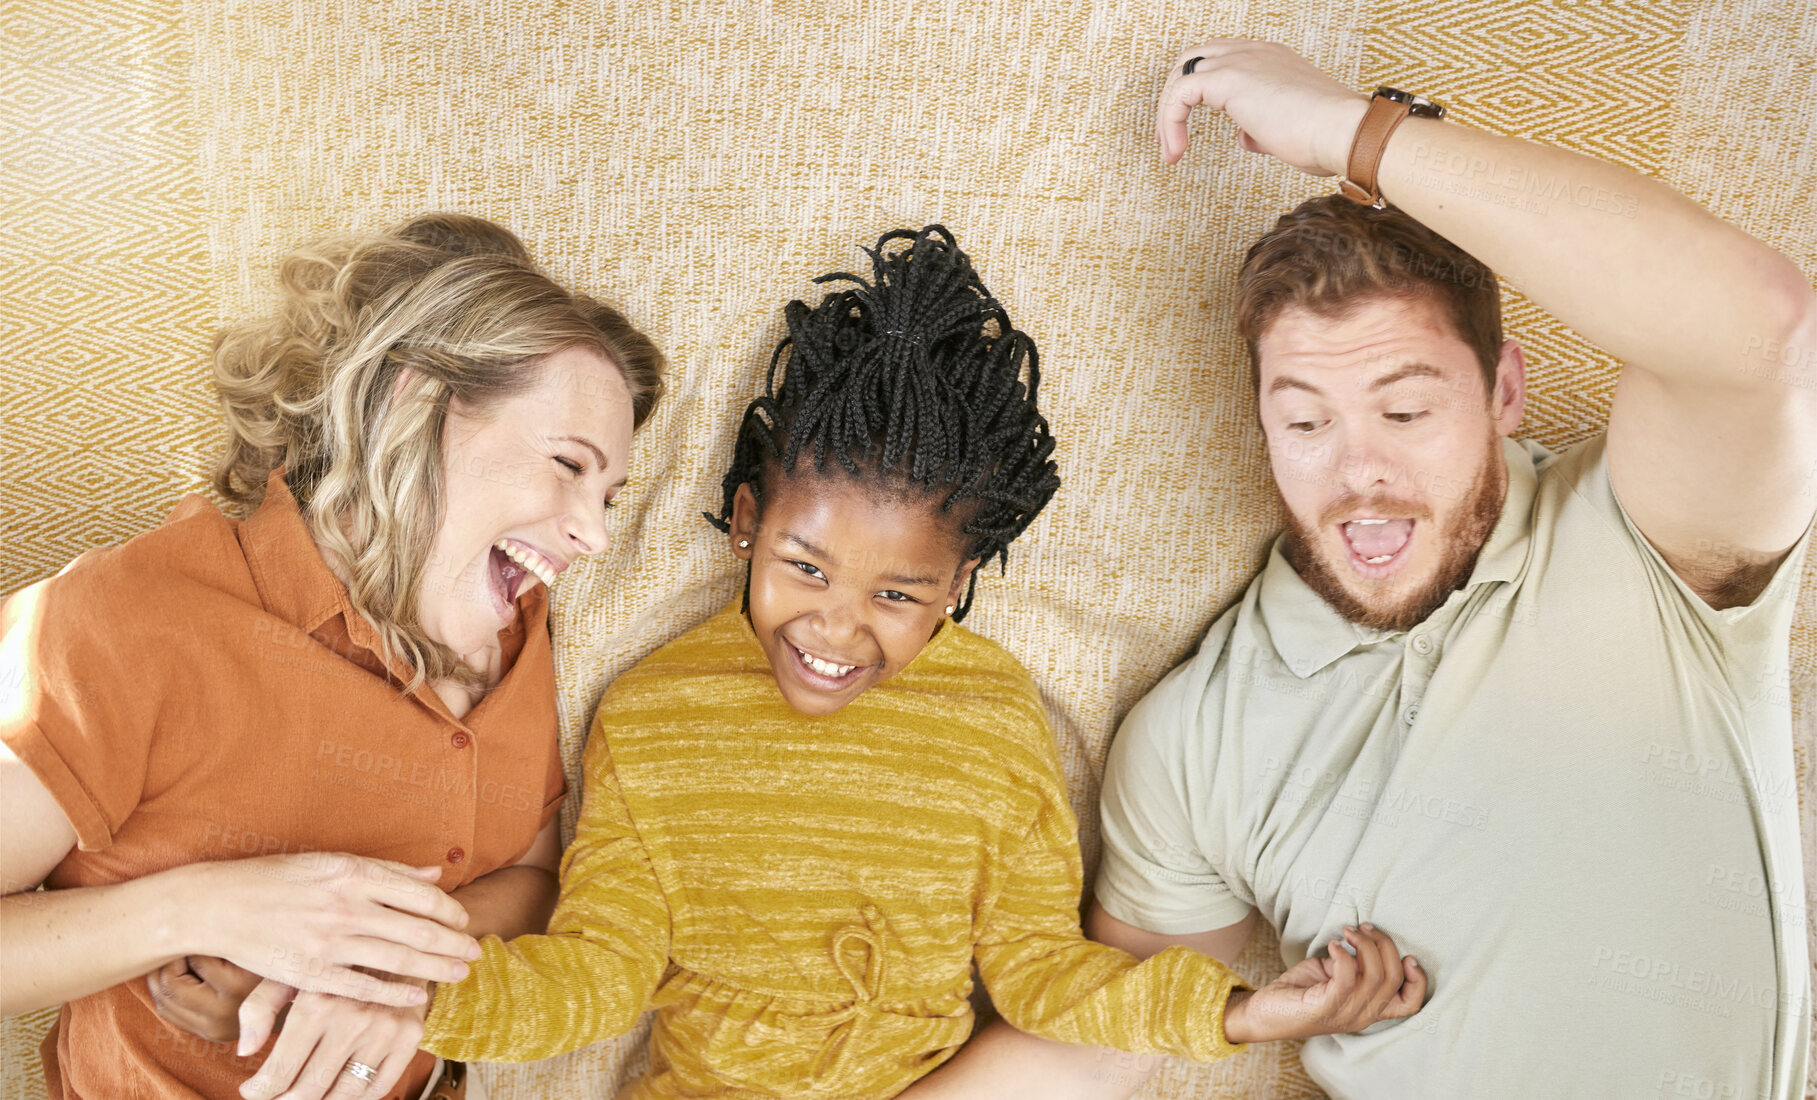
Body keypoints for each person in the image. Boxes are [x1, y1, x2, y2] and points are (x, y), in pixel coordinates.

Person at [902, 40, 1817, 1100]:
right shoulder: (1195, 736)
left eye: (1405, 408)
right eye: (1303, 419)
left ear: (1502, 389)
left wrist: (1355, 134)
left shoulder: (1644, 539)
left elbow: (1763, 329)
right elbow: (1094, 1043)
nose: (1357, 474)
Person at [321, 225, 1426, 1099]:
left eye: (897, 595)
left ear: (955, 585)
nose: (838, 630)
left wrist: (1238, 1014)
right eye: (804, 567)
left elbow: (1040, 971)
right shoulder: (653, 714)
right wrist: (413, 999)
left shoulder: (993, 714)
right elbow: (596, 976)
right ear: (747, 521)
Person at [0, 213, 664, 1100]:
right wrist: (203, 907)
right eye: (567, 465)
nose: (593, 533)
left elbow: (531, 875)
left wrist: (385, 973)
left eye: (609, 492)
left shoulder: (512, 616)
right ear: (413, 401)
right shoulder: (124, 623)